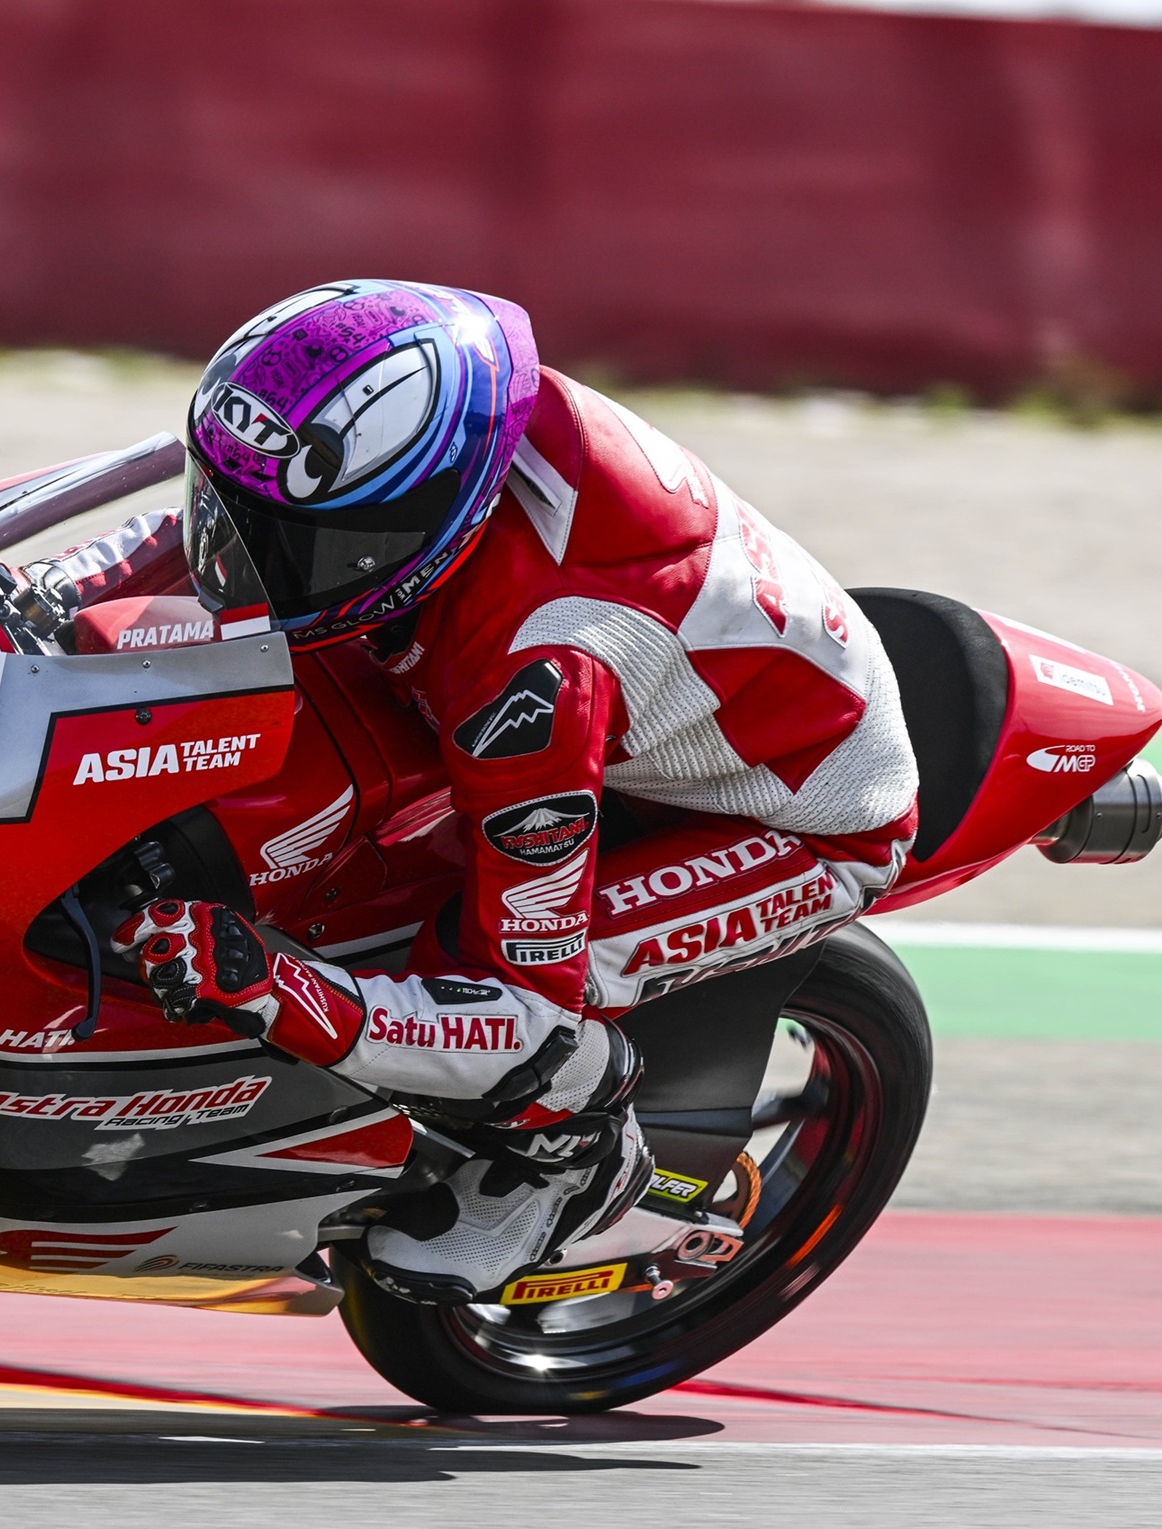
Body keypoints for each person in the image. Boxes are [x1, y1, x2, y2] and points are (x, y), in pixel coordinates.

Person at [109, 279, 919, 1303]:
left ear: (422, 527)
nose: (246, 565)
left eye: (301, 549)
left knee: (470, 970)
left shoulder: (531, 677)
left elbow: (519, 1005)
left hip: (795, 814)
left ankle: (573, 1158)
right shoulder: (462, 417)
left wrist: (268, 982)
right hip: (671, 704)